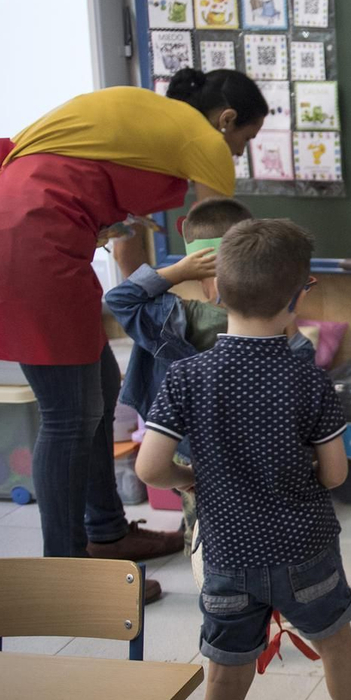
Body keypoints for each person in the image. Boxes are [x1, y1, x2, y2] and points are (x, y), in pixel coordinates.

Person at [0, 68, 266, 588]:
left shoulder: (148, 123)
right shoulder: (196, 137)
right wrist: (257, 279)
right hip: (19, 237)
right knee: (68, 416)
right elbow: (215, 233)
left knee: (97, 392)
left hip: (26, 230)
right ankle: (66, 576)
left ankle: (107, 532)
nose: (236, 155)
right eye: (243, 141)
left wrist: (145, 295)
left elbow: (123, 238)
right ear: (226, 119)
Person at [134, 219, 351, 700]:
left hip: (228, 556)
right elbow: (334, 476)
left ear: (215, 292)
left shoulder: (186, 377)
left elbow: (151, 468)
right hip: (305, 547)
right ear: (297, 297)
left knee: (224, 680)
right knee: (335, 644)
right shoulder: (308, 379)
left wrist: (190, 479)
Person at [105, 197, 316, 559]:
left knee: (208, 536)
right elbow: (303, 366)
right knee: (265, 533)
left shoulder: (178, 316)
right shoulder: (271, 324)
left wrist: (176, 271)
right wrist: (289, 311)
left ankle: (218, 587)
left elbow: (121, 300)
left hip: (194, 453)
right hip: (263, 453)